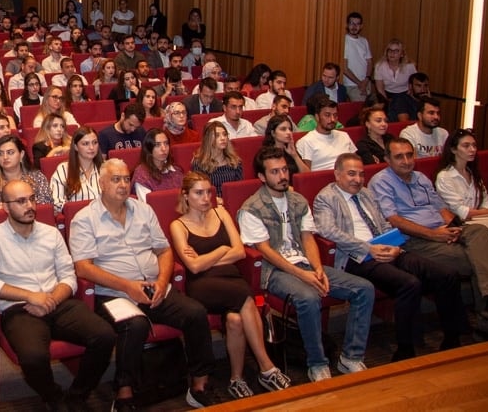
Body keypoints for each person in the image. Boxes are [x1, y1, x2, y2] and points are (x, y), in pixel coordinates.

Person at [70, 159, 220, 410]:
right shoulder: (84, 219)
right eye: (115, 179)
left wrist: (162, 282)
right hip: (113, 294)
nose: (122, 184)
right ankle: (124, 393)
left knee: (195, 313)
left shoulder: (143, 210)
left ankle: (199, 385)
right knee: (135, 325)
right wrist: (128, 286)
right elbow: (83, 267)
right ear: (102, 183)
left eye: (126, 179)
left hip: (154, 287)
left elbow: (164, 251)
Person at [0, 178, 116, 408]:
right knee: (33, 357)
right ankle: (54, 396)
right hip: (19, 308)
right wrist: (30, 296)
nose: (30, 205)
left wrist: (51, 299)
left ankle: (77, 395)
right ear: (5, 206)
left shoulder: (51, 233)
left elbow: (69, 277)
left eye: (32, 199)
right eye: (20, 201)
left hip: (58, 301)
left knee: (105, 336)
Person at [239, 147, 374, 382]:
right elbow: (265, 251)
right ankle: (317, 363)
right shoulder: (251, 208)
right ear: (261, 177)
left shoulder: (298, 200)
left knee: (364, 289)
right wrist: (305, 276)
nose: (282, 176)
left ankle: (351, 357)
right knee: (308, 297)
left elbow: (308, 237)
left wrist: (318, 269)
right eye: (274, 172)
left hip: (305, 264)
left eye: (284, 170)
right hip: (275, 271)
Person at [314, 153, 465, 361]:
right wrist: (368, 248)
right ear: (337, 174)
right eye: (351, 174)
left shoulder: (367, 194)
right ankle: (405, 349)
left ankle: (452, 338)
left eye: (361, 174)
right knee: (409, 283)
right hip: (357, 257)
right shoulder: (326, 197)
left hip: (386, 249)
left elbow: (384, 224)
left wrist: (395, 246)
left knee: (447, 274)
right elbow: (328, 230)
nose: (357, 180)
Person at [171, 172, 291, 398]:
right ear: (186, 196)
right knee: (245, 296)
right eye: (199, 193)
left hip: (231, 277)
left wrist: (208, 258)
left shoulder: (221, 212)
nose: (206, 198)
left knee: (235, 320)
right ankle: (266, 366)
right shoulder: (179, 225)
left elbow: (238, 252)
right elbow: (194, 268)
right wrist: (221, 250)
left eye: (208, 192)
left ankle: (236, 379)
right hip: (203, 286)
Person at [369, 138, 488, 337]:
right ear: (387, 159)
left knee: (479, 231)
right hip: (415, 239)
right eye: (399, 156)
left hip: (441, 230)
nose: (406, 160)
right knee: (481, 258)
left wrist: (450, 227)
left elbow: (441, 208)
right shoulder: (380, 181)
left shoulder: (421, 177)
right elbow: (393, 220)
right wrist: (434, 234)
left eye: (409, 155)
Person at [435, 129, 488, 220]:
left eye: (474, 145)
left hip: (479, 220)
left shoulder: (472, 173)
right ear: (453, 149)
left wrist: (484, 214)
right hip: (458, 226)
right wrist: (487, 213)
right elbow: (461, 212)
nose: (472, 149)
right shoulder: (444, 177)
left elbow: (486, 202)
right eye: (466, 146)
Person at [0, 135, 52, 210]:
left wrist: (12, 207)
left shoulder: (37, 177)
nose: (5, 157)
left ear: (21, 155)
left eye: (10, 152)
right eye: (0, 154)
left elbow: (46, 204)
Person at [49, 127, 103, 213]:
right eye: (85, 144)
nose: (92, 147)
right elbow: (56, 202)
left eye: (95, 143)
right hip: (77, 219)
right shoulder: (64, 169)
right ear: (76, 147)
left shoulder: (106, 168)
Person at [296, 97, 357, 171]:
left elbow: (356, 163)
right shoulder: (306, 141)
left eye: (335, 115)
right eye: (327, 115)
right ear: (317, 117)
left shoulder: (344, 136)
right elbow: (307, 176)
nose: (332, 119)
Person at [190, 121, 244, 197]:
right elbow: (198, 192)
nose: (223, 138)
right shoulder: (199, 163)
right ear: (208, 139)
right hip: (209, 203)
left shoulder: (235, 161)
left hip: (232, 200)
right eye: (217, 135)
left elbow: (239, 189)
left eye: (225, 134)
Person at [131, 129, 183, 201]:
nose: (164, 148)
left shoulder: (176, 171)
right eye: (157, 145)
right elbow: (146, 207)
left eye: (166, 143)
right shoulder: (142, 175)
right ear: (149, 149)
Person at [342, 13, 373, 102]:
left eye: (357, 24)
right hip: (352, 84)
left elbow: (370, 62)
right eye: (352, 23)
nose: (354, 27)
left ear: (361, 26)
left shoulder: (364, 41)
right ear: (347, 25)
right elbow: (345, 68)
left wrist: (366, 79)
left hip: (366, 82)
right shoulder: (345, 41)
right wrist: (360, 84)